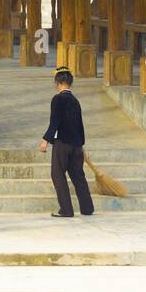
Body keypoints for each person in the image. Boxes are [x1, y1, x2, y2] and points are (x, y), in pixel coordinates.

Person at [39, 68, 94, 218]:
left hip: (62, 143)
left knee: (57, 174)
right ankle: (87, 208)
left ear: (58, 82)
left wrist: (45, 140)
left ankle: (66, 210)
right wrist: (81, 144)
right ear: (70, 83)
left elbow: (55, 122)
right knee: (78, 176)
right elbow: (80, 124)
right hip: (76, 145)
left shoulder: (57, 99)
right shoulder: (75, 101)